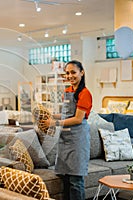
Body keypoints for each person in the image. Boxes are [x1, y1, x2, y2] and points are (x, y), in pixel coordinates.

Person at [44, 60, 92, 200]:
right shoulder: (67, 91)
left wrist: (54, 122)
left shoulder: (85, 93)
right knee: (65, 179)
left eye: (73, 72)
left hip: (78, 140)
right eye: (67, 73)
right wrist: (50, 115)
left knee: (76, 181)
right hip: (65, 140)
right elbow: (67, 114)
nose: (70, 76)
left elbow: (77, 119)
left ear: (81, 73)